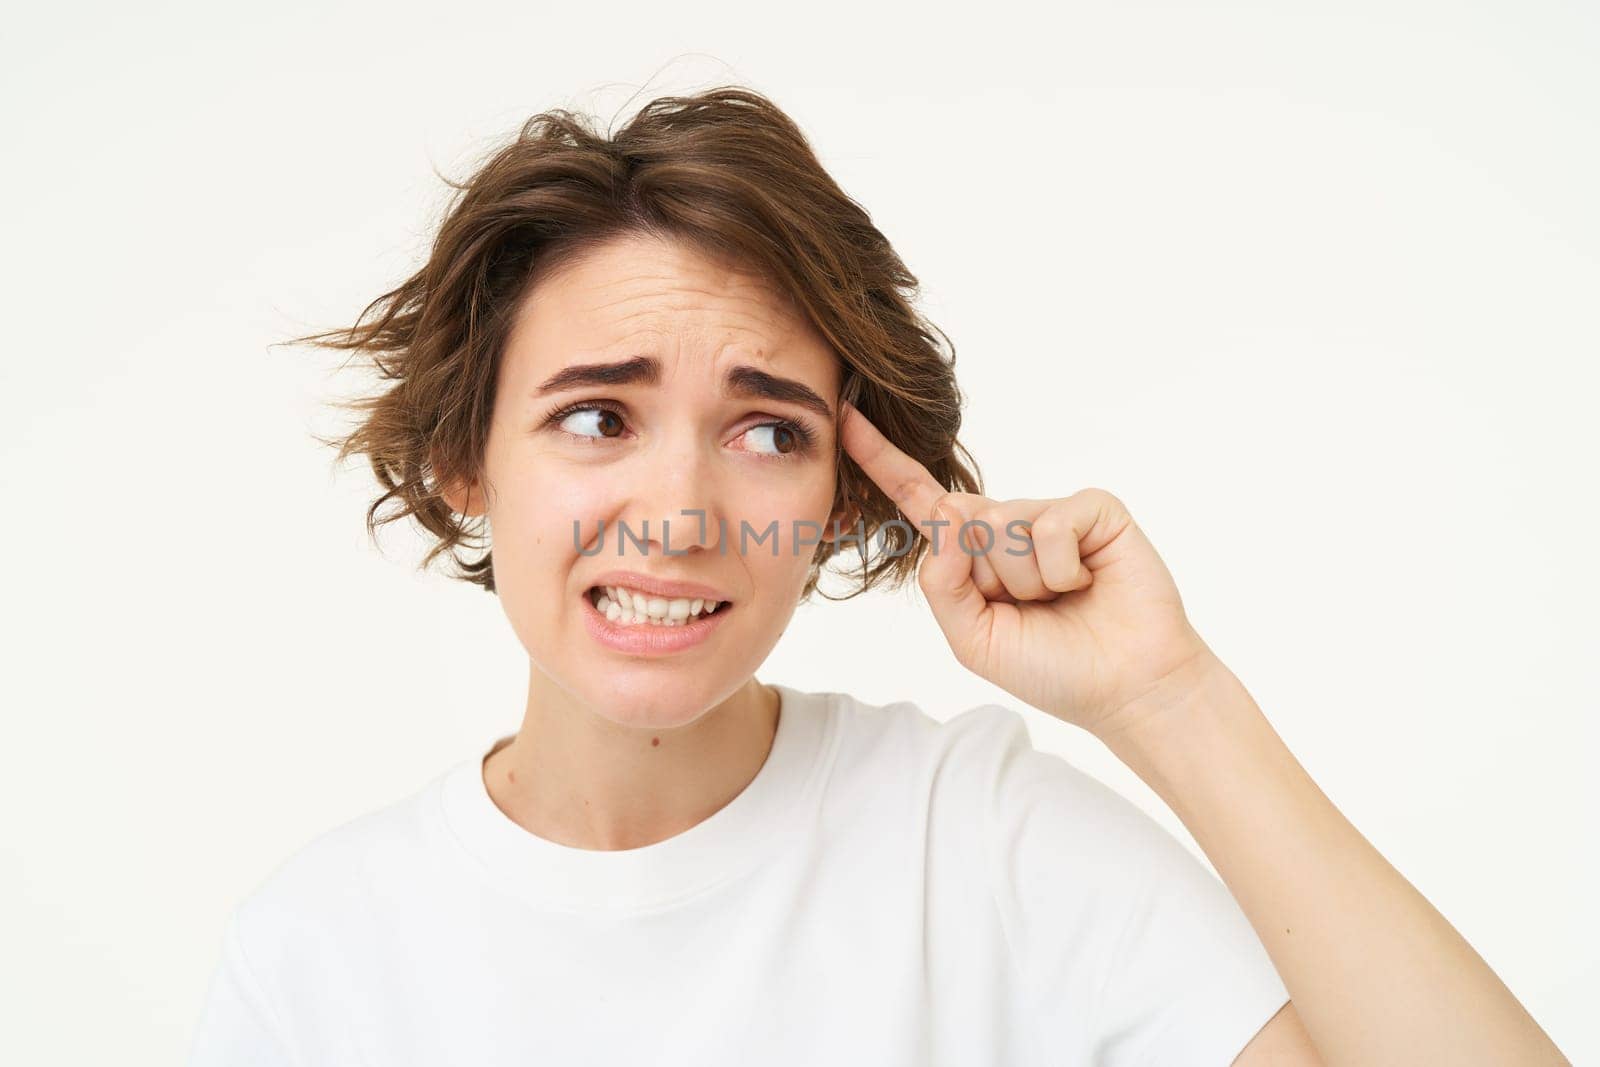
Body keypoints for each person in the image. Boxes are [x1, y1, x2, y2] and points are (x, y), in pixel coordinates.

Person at [188, 86, 1569, 1066]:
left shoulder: (978, 843)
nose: (679, 513)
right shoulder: (320, 954)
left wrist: (1171, 700)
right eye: (599, 417)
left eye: (767, 429)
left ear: (841, 492)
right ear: (462, 462)